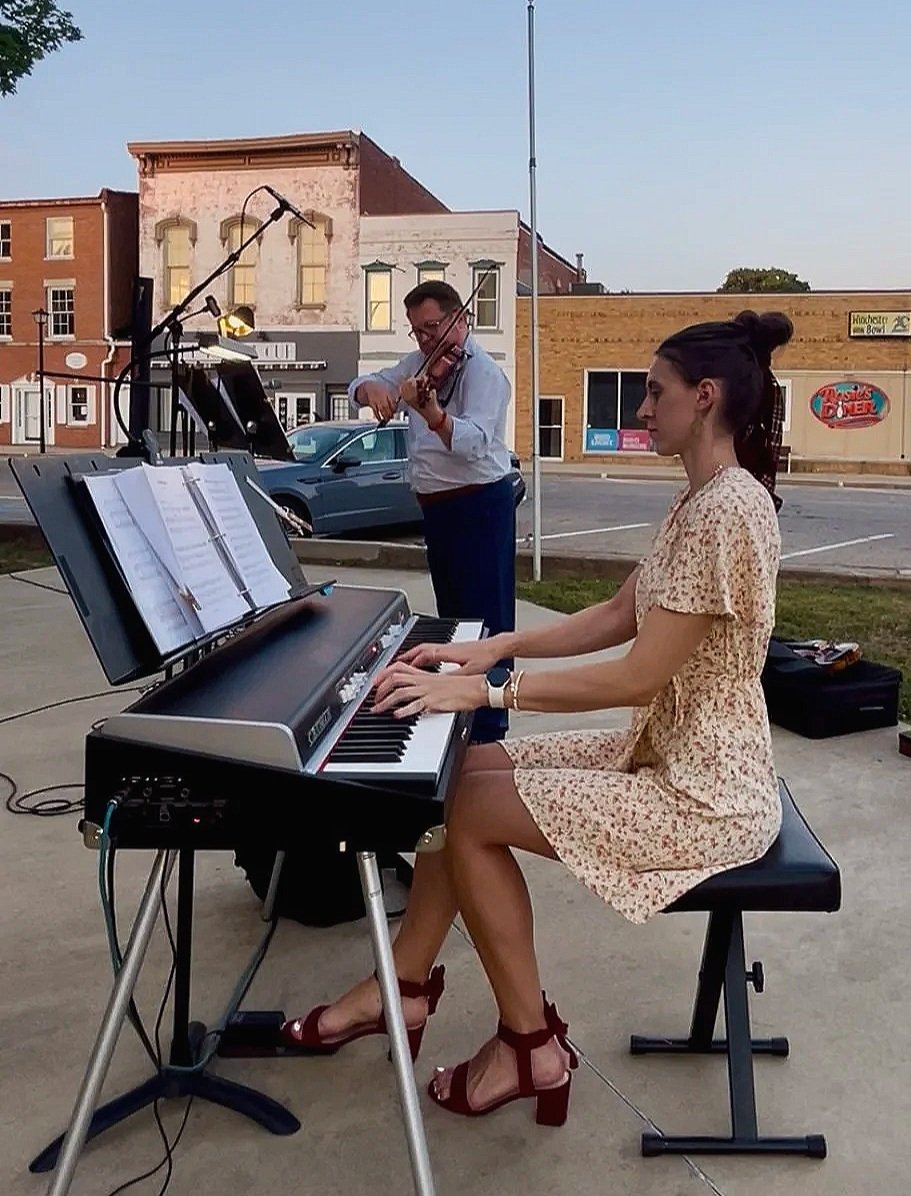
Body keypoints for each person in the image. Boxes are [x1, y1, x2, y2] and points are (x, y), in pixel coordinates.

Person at [283, 309, 791, 1128]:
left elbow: (637, 674)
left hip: (707, 793)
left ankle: (528, 1045)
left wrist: (489, 695)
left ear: (703, 397)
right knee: (461, 774)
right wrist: (495, 648)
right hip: (664, 751)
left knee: (468, 811)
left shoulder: (730, 509)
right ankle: (403, 988)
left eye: (653, 393)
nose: (640, 410)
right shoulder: (697, 500)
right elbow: (617, 615)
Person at [348, 279, 516, 744]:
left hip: (480, 506)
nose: (425, 341)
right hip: (439, 511)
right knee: (454, 623)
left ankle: (490, 731)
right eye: (417, 332)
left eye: (432, 328)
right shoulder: (417, 363)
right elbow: (364, 384)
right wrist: (370, 391)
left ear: (460, 319)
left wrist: (434, 414)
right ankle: (460, 717)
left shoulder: (485, 374)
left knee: (487, 622)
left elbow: (475, 442)